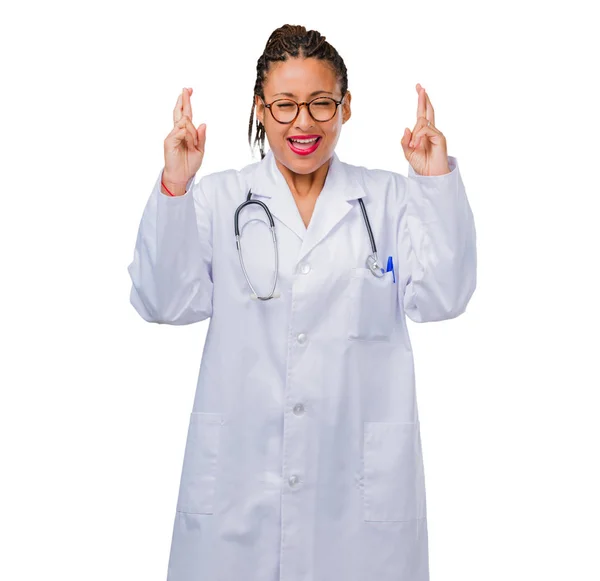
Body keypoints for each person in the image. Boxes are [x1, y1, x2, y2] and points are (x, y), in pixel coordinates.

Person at [127, 23, 477, 581]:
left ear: (346, 107)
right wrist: (174, 185)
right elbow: (163, 301)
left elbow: (444, 296)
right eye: (285, 105)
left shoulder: (389, 199)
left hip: (358, 497)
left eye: (320, 103)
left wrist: (434, 182)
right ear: (260, 110)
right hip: (241, 486)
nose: (303, 123)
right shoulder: (218, 198)